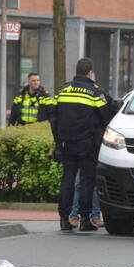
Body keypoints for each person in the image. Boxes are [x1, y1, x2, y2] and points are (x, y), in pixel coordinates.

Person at [49, 58, 114, 233]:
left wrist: (57, 142)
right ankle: (85, 220)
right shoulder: (94, 92)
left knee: (67, 180)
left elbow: (53, 117)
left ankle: (64, 219)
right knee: (87, 181)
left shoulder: (62, 90)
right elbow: (107, 116)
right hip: (87, 145)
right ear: (90, 73)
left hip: (66, 143)